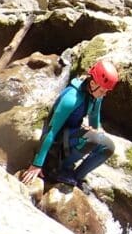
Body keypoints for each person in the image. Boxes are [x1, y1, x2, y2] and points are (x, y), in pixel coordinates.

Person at [20, 59, 119, 189]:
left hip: (71, 135)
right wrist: (37, 164)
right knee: (92, 139)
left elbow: (94, 116)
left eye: (106, 92)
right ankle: (56, 169)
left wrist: (95, 131)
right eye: (102, 91)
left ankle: (76, 176)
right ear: (93, 83)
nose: (104, 95)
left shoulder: (96, 95)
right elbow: (51, 131)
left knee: (108, 147)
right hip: (57, 141)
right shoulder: (71, 98)